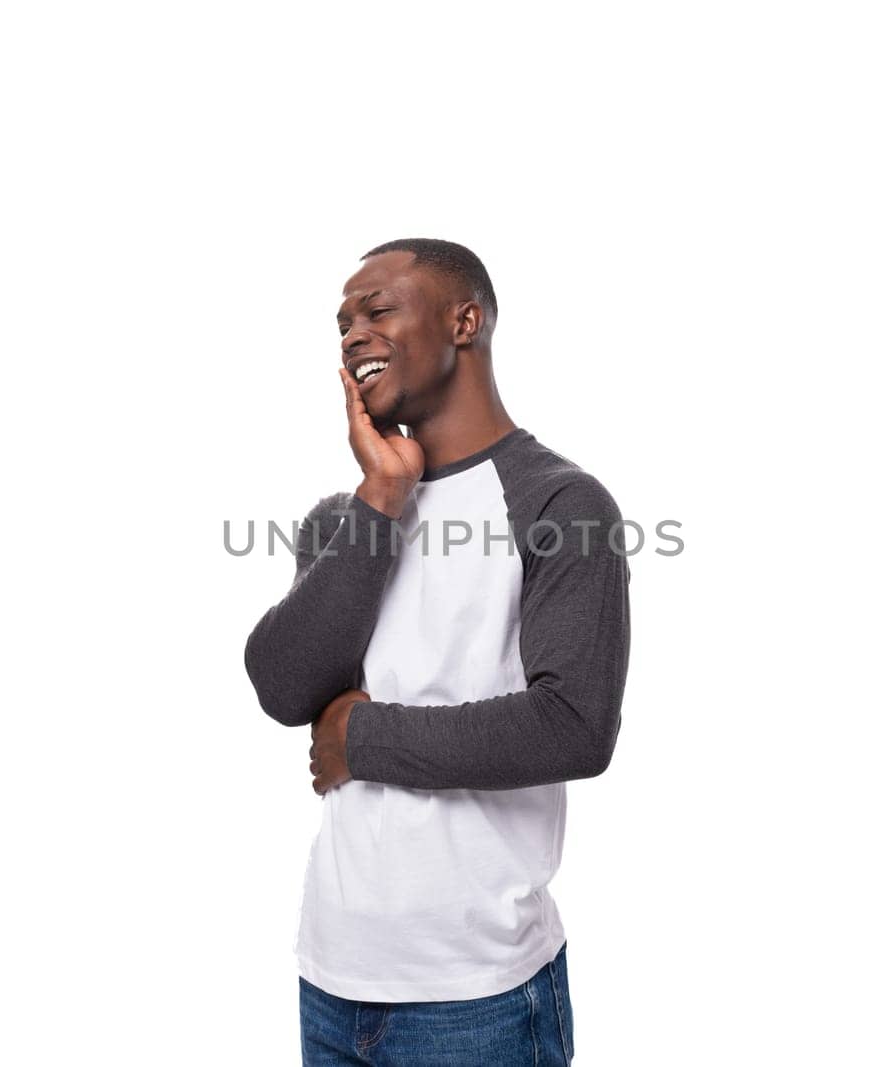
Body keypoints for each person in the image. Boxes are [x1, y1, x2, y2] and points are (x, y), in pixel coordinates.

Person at [243, 238, 631, 1066]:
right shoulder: (344, 518)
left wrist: (362, 738)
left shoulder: (561, 502)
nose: (352, 334)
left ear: (466, 320)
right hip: (331, 974)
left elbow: (571, 724)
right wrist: (382, 498)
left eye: (377, 309)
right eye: (341, 322)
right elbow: (283, 686)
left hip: (477, 995)